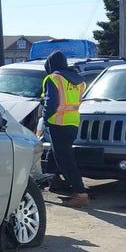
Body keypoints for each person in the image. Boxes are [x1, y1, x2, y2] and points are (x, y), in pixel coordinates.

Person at [41, 51, 89, 207]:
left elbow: (51, 104)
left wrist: (45, 118)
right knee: (55, 152)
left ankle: (80, 193)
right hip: (73, 123)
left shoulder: (53, 79)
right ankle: (51, 180)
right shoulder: (80, 80)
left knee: (65, 160)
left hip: (58, 123)